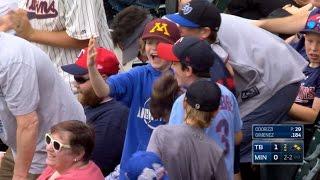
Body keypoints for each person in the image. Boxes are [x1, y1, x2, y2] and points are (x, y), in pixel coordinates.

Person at [167, 0, 306, 166]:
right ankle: (291, 149)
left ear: (204, 31)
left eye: (186, 26)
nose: (180, 29)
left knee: (229, 137)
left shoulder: (214, 46)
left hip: (277, 81)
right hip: (271, 72)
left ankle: (293, 150)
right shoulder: (210, 24)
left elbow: (226, 85)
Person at [87, 18, 180, 178]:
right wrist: (92, 68)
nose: (154, 48)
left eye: (161, 43)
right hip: (131, 168)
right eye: (150, 42)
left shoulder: (182, 77)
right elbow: (103, 91)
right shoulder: (139, 74)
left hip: (164, 170)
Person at [0, 32, 86, 180]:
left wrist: (20, 176)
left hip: (52, 146)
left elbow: (29, 124)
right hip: (19, 143)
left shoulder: (11, 59)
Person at [156, 36, 242, 180]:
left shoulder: (184, 102)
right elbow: (238, 137)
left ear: (188, 70)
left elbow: (173, 150)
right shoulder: (226, 94)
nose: (171, 67)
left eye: (174, 63)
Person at [6, 0, 114, 89]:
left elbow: (85, 39)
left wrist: (31, 34)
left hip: (86, 82)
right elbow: (25, 19)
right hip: (50, 82)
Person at [61, 47, 129, 176]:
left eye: (80, 79)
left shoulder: (114, 116)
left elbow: (93, 166)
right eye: (75, 78)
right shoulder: (91, 102)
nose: (75, 84)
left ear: (101, 78)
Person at [147, 79, 228, 180]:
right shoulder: (216, 153)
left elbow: (147, 172)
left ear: (184, 103)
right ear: (216, 112)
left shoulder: (161, 134)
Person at [37, 120, 104, 180]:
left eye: (56, 145)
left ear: (78, 154)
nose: (48, 148)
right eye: (49, 139)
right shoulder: (60, 164)